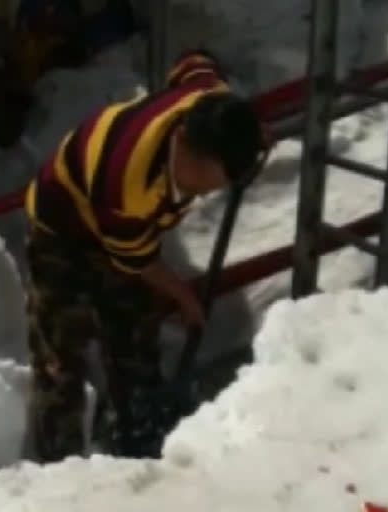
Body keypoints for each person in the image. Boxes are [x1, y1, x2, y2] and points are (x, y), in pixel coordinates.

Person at [22, 50, 269, 463]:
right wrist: (184, 297)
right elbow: (138, 261)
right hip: (62, 227)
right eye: (215, 181)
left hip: (122, 224)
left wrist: (250, 136)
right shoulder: (130, 188)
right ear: (193, 157)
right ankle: (58, 466)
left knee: (134, 336)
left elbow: (195, 63)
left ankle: (138, 435)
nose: (213, 191)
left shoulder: (207, 102)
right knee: (61, 351)